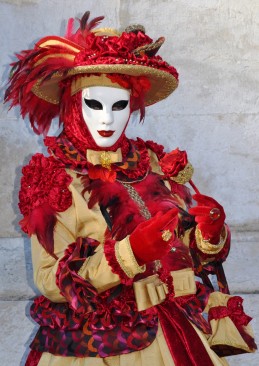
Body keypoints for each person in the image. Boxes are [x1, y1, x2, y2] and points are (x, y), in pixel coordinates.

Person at [5, 10, 256, 366]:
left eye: (119, 105)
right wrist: (129, 254)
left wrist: (209, 232)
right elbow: (50, 278)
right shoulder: (52, 176)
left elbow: (185, 248)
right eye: (93, 104)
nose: (107, 118)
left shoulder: (151, 161)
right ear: (72, 105)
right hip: (105, 340)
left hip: (178, 326)